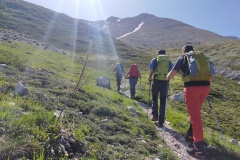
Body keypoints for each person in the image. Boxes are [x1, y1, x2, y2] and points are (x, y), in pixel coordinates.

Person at [166, 44, 214, 158]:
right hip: (206, 88)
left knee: (195, 117)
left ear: (184, 51)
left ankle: (198, 148)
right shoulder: (202, 57)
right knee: (196, 113)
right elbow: (211, 76)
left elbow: (172, 73)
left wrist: (166, 79)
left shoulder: (183, 57)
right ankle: (190, 135)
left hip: (192, 88)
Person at [148, 50, 173, 127]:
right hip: (165, 82)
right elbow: (172, 70)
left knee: (154, 98)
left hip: (156, 81)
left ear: (158, 54)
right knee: (163, 101)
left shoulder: (155, 60)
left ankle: (155, 116)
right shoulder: (169, 61)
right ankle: (161, 121)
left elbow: (151, 69)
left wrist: (149, 77)